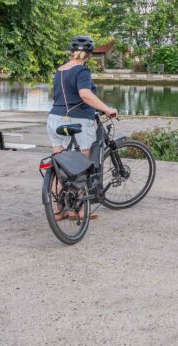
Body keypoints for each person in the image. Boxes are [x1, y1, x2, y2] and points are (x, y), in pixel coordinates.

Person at [47, 35, 118, 220]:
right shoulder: (82, 71)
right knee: (81, 165)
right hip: (77, 120)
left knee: (60, 163)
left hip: (54, 119)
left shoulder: (60, 70)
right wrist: (106, 109)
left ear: (71, 52)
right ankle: (78, 210)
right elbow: (85, 94)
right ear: (88, 55)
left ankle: (57, 210)